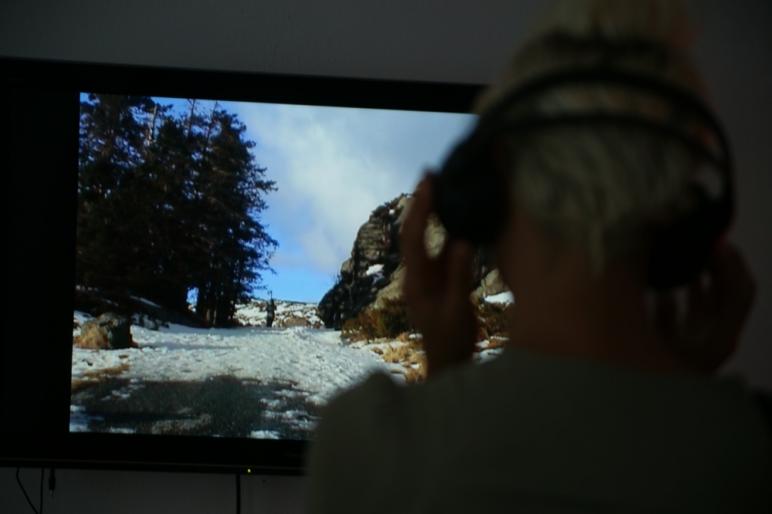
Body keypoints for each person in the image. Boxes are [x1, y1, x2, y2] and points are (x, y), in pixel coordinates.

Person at [306, 1, 771, 512]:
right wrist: (684, 393)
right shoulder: (749, 453)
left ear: (487, 195)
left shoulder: (370, 445)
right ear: (688, 227)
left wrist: (446, 375)